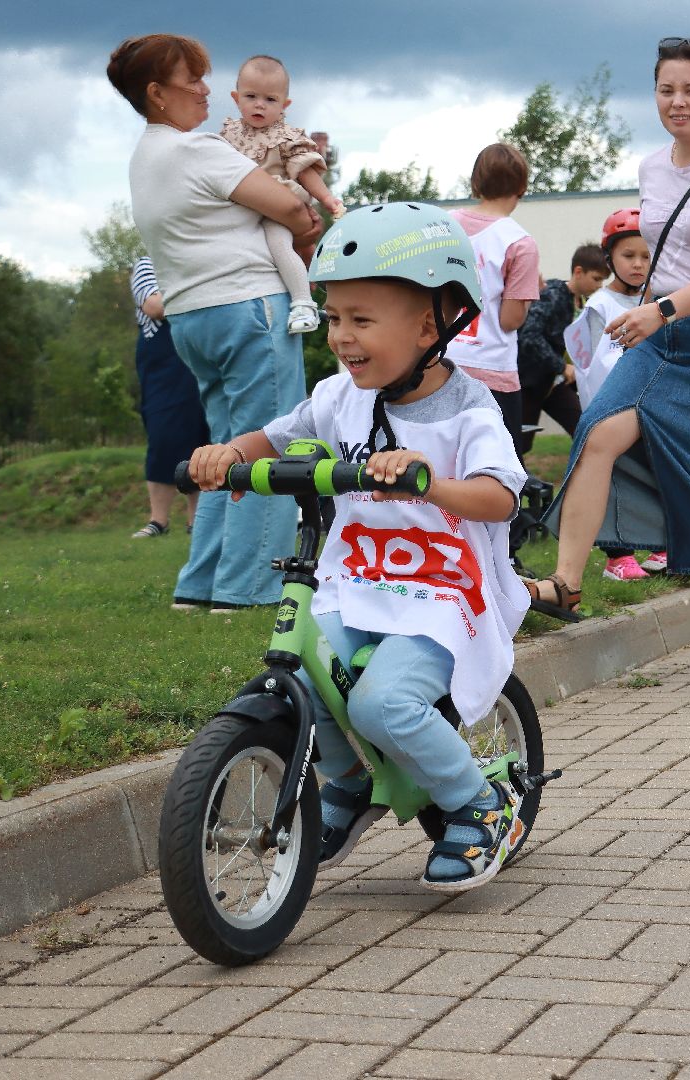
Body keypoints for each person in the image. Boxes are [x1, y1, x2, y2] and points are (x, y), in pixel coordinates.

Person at [185, 202, 532, 889]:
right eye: (335, 318)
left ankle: (482, 805)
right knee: (307, 679)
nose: (342, 337)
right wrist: (229, 454)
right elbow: (278, 438)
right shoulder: (339, 397)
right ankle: (345, 785)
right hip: (359, 580)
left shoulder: (469, 409)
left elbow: (499, 496)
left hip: (442, 593)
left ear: (433, 324)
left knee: (380, 704)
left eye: (362, 320)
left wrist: (429, 484)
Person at [528, 36, 690, 679]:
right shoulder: (652, 168)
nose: (677, 102)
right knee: (598, 434)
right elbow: (666, 257)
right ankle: (567, 582)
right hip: (660, 338)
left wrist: (664, 308)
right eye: (666, 90)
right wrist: (643, 311)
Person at [110, 34, 320, 612]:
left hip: (191, 319)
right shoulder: (197, 150)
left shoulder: (144, 158)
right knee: (270, 444)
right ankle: (249, 589)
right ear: (157, 93)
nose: (206, 89)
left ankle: (200, 584)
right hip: (249, 307)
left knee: (219, 452)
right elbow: (296, 211)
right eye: (192, 80)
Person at [562, 209, 667, 580]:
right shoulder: (599, 306)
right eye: (628, 256)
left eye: (646, 255)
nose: (639, 264)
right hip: (610, 411)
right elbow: (588, 361)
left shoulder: (657, 304)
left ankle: (660, 545)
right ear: (609, 260)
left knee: (654, 475)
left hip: (649, 410)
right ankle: (617, 557)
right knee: (612, 481)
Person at [219, 55, 345, 335]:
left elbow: (305, 172)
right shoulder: (229, 134)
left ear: (285, 105)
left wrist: (327, 199)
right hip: (240, 206)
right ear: (236, 97)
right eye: (251, 96)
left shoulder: (286, 137)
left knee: (278, 244)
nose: (260, 104)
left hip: (276, 205)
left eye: (270, 99)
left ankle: (303, 303)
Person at [444, 143, 541, 451]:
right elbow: (510, 320)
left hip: (439, 360)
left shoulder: (442, 227)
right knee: (497, 467)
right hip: (490, 368)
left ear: (475, 182)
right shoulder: (520, 243)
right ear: (522, 186)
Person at [128, 256, 207, 538]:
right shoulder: (147, 265)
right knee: (164, 437)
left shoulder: (194, 259)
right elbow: (155, 307)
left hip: (199, 356)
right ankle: (158, 520)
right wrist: (198, 294)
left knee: (203, 437)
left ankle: (197, 521)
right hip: (164, 368)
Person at [515, 243, 606, 457]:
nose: (600, 285)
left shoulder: (585, 304)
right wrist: (561, 366)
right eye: (596, 278)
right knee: (517, 446)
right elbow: (529, 336)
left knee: (585, 430)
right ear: (578, 272)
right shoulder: (553, 294)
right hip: (529, 383)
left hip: (555, 385)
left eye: (603, 280)